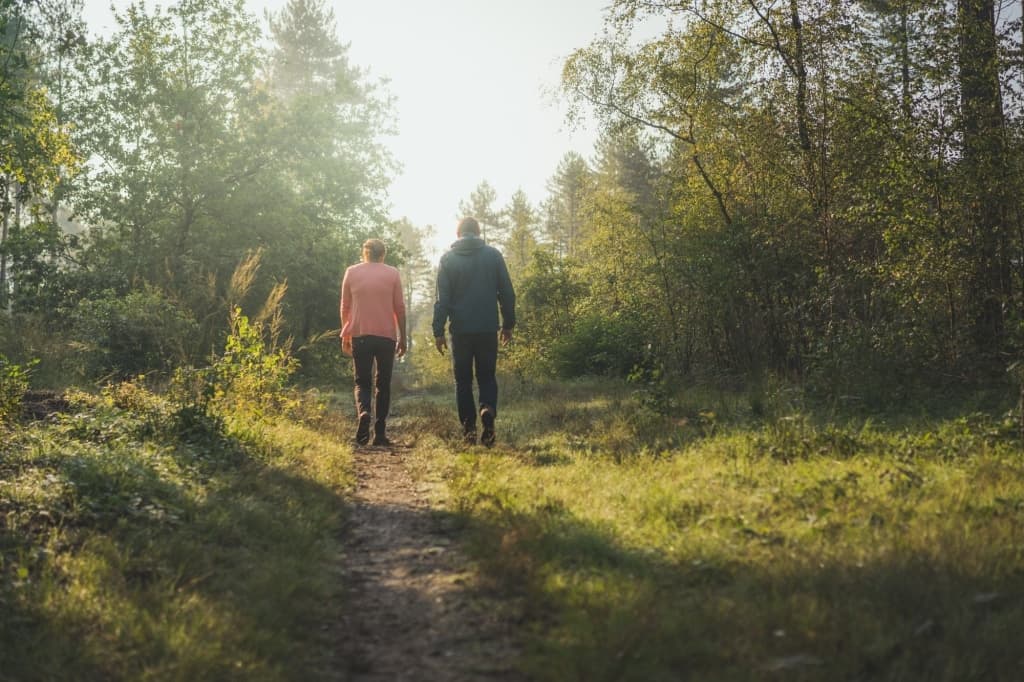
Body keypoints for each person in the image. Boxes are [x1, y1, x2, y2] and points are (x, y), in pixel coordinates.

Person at [432, 216, 515, 446]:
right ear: (478, 233)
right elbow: (507, 293)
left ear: (458, 234)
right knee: (487, 375)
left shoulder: (448, 259)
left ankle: (469, 430)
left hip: (460, 330)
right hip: (488, 327)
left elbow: (443, 300)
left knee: (463, 380)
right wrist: (508, 324)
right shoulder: (493, 256)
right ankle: (487, 409)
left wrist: (438, 330)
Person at [340, 238, 407, 446]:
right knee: (383, 384)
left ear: (364, 253)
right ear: (383, 255)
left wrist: (346, 334)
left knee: (362, 381)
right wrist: (403, 337)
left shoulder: (351, 272)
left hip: (360, 334)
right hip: (386, 336)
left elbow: (345, 307)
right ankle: (379, 433)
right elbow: (400, 308)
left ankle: (364, 413)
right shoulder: (393, 274)